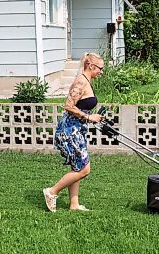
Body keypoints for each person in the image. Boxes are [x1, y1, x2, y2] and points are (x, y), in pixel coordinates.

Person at [43, 52, 105, 212]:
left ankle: (74, 204)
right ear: (91, 66)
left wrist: (92, 117)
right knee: (84, 168)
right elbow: (68, 106)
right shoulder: (80, 82)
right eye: (100, 68)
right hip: (70, 130)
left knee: (77, 167)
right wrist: (89, 117)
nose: (101, 72)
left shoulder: (85, 81)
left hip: (78, 128)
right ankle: (52, 192)